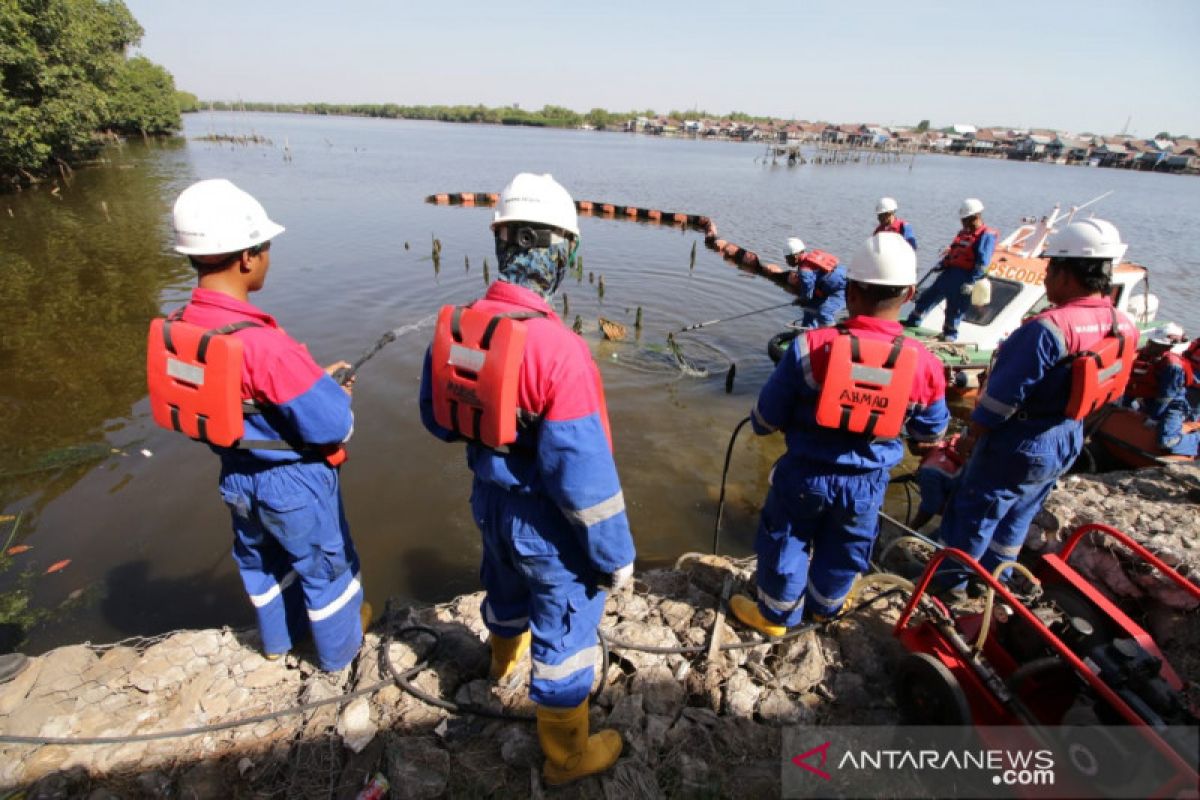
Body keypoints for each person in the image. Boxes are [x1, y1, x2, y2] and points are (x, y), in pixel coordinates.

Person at [418, 173, 635, 786]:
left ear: (501, 243)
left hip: (487, 502)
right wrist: (615, 558)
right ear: (561, 252)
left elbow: (437, 421)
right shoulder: (559, 350)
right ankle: (566, 756)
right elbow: (584, 481)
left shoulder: (457, 328)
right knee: (565, 624)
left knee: (504, 587)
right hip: (546, 521)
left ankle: (502, 665)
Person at [157, 179, 365, 671]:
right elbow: (333, 426)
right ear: (248, 257)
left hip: (236, 476)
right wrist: (336, 393)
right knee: (327, 574)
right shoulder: (264, 345)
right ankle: (340, 662)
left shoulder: (184, 324)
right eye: (266, 247)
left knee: (262, 566)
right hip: (294, 485)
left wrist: (311, 381)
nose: (270, 257)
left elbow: (243, 399)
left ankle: (277, 647)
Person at [730, 233, 949, 634]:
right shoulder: (925, 365)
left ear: (849, 292)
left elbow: (764, 420)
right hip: (868, 483)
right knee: (847, 547)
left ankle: (776, 616)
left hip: (805, 474)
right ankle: (825, 608)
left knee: (787, 542)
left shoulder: (809, 348)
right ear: (911, 293)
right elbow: (928, 434)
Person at [936, 218, 1140, 590]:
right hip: (1067, 436)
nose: (1045, 280)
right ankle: (998, 582)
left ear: (1064, 273)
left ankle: (951, 589)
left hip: (1020, 441)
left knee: (974, 516)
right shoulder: (1120, 322)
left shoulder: (1049, 329)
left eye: (1049, 270)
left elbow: (999, 403)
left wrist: (970, 436)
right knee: (1018, 514)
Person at [904, 198, 997, 342]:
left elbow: (983, 262)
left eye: (967, 219)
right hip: (950, 272)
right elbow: (955, 251)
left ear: (976, 217)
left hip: (965, 277)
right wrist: (943, 263)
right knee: (929, 295)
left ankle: (949, 335)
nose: (964, 223)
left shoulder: (986, 235)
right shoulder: (964, 233)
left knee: (955, 307)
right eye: (963, 220)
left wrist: (972, 282)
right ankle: (913, 321)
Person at [1125, 325, 1198, 456]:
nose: (1150, 345)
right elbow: (1134, 382)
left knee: (1166, 441)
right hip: (1150, 399)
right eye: (1151, 342)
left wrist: (1154, 417)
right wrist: (1125, 403)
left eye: (1155, 343)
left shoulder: (1173, 366)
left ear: (1166, 346)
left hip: (1174, 405)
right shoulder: (1147, 357)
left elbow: (1167, 396)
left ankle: (1196, 440)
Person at [785, 237, 847, 328]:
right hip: (833, 286)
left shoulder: (805, 271)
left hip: (842, 289)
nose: (786, 261)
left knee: (824, 313)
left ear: (795, 256)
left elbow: (807, 295)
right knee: (809, 309)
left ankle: (831, 338)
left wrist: (800, 300)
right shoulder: (810, 259)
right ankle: (808, 331)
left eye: (787, 258)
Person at [909, 434, 964, 531]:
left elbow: (930, 507)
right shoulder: (945, 445)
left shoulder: (929, 470)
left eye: (910, 442)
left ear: (921, 444)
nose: (908, 446)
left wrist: (911, 528)